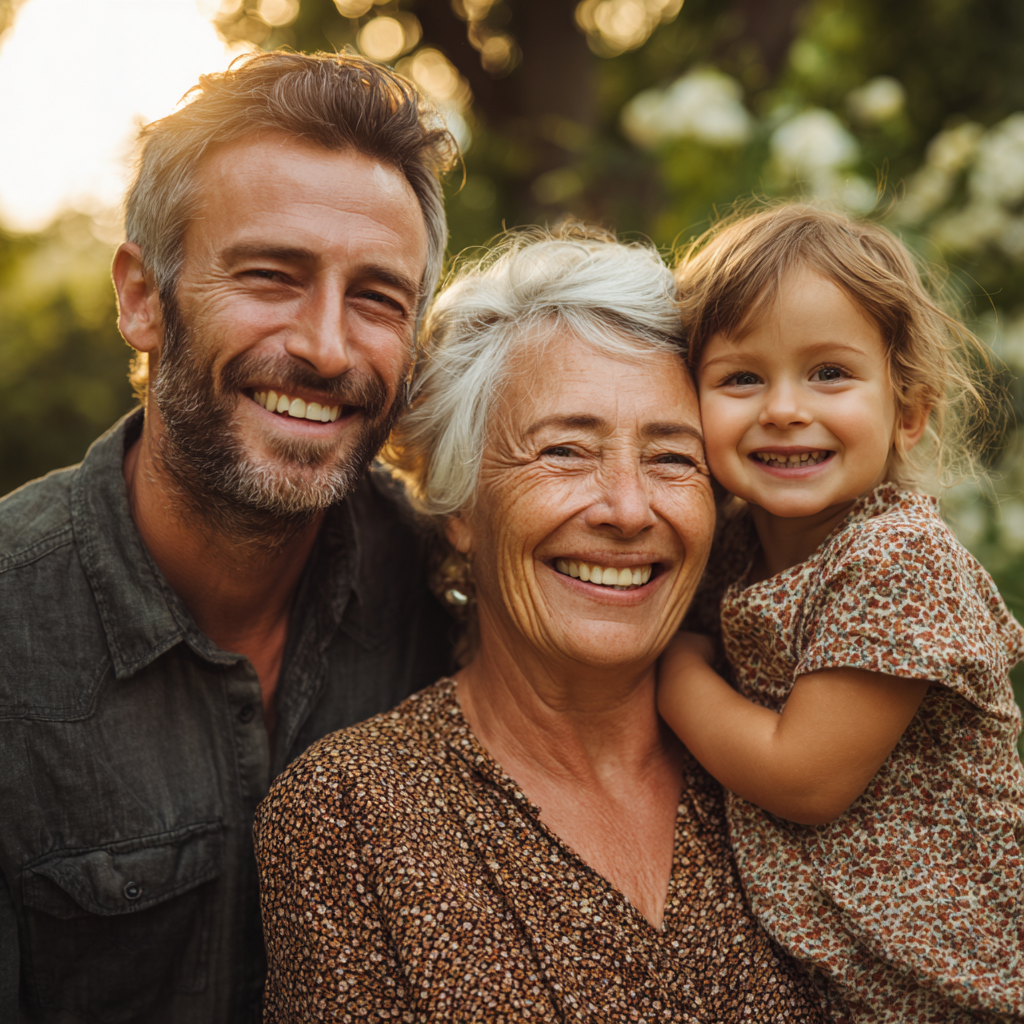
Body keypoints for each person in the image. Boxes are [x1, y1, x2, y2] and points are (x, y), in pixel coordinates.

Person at [254, 226, 829, 1022]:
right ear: (459, 507)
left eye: (671, 458)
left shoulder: (803, 749)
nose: (628, 510)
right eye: (564, 451)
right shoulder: (353, 817)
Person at [0, 52, 457, 1023]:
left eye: (377, 297)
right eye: (270, 276)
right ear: (140, 298)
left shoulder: (452, 595)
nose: (328, 347)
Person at [658, 203, 1024, 1023]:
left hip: (962, 985)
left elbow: (804, 777)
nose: (785, 408)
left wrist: (674, 672)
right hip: (845, 984)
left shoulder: (898, 559)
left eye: (829, 373)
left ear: (909, 409)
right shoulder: (734, 545)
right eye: (742, 378)